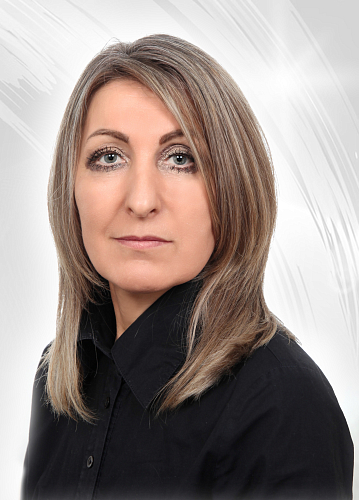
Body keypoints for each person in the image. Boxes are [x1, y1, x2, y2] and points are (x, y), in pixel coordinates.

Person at [21, 34, 353, 500]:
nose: (141, 201)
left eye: (181, 158)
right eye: (109, 157)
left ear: (233, 187)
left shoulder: (283, 405)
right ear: (70, 187)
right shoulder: (60, 378)